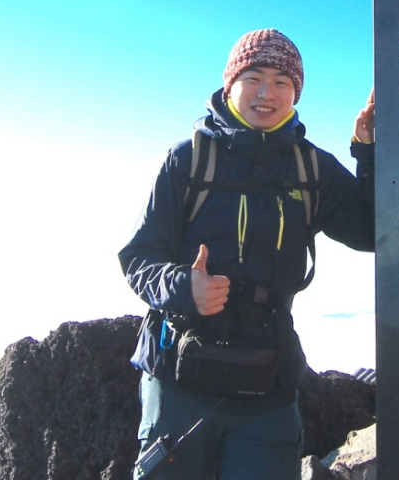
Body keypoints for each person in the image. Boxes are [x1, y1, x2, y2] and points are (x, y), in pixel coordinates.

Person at [119, 29, 375, 480]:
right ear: (229, 84)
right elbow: (139, 256)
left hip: (267, 382)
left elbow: (374, 232)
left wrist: (368, 153)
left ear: (296, 92)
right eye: (254, 77)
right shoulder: (188, 161)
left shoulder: (311, 168)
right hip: (180, 377)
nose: (266, 92)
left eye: (282, 81)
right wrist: (185, 287)